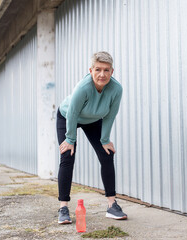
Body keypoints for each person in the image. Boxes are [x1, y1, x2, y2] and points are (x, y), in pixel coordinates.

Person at [56, 51, 127, 224]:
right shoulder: (83, 87)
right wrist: (70, 139)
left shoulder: (116, 89)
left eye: (106, 70)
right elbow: (72, 113)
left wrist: (105, 139)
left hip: (93, 120)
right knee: (67, 155)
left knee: (107, 154)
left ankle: (112, 205)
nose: (102, 74)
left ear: (112, 71)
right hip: (68, 117)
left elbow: (110, 115)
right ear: (91, 70)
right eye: (98, 70)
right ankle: (63, 207)